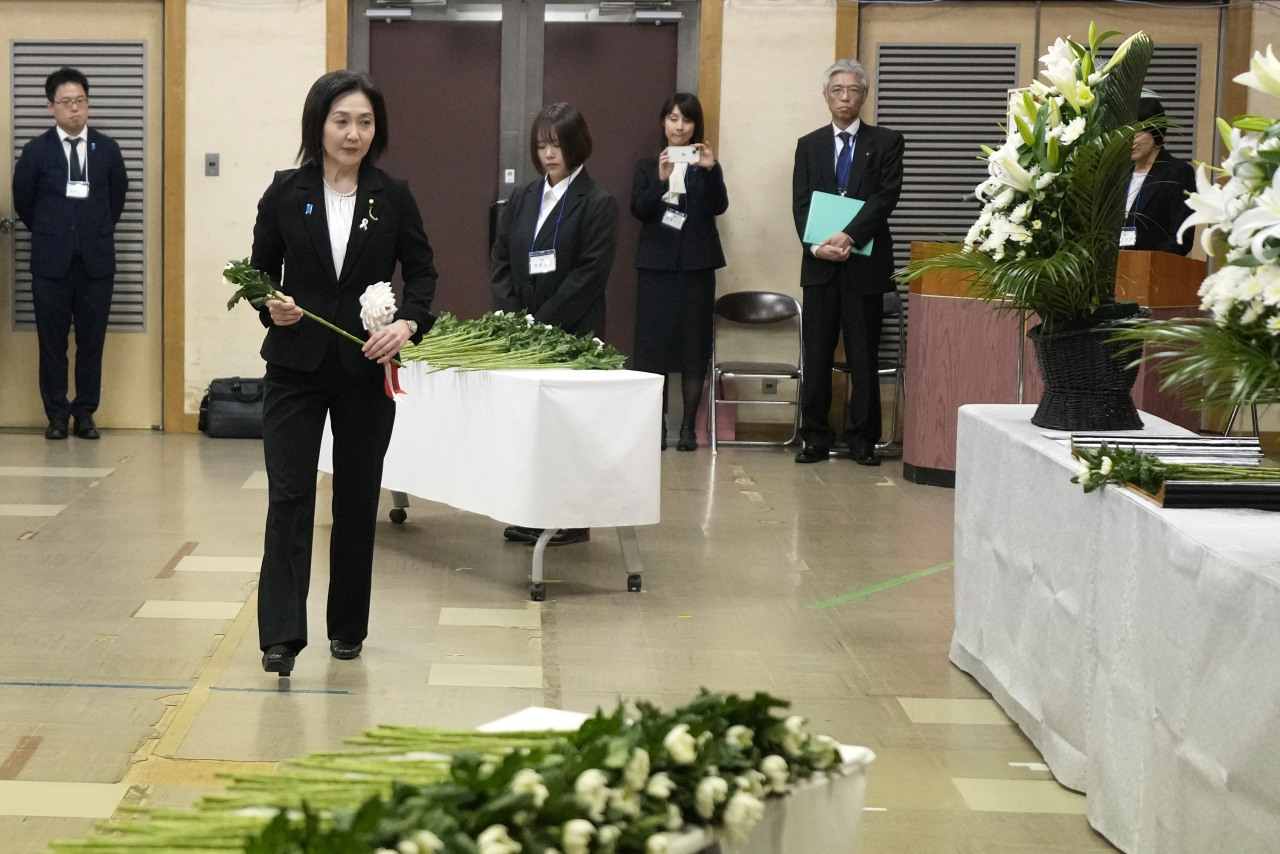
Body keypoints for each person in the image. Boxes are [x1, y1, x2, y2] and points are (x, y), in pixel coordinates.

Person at [250, 70, 437, 676]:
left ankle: (348, 628)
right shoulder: (285, 192)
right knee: (291, 495)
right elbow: (259, 276)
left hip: (365, 369)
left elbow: (424, 275)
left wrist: (406, 324)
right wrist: (269, 305)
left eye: (364, 122)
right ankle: (280, 635)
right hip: (294, 368)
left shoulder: (393, 194)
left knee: (358, 501)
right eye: (341, 121)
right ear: (319, 125)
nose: (353, 133)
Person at [491, 102, 619, 546]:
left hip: (572, 334)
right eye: (542, 145)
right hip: (524, 334)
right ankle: (535, 510)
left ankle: (572, 518)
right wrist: (512, 317)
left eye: (557, 145)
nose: (549, 154)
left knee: (569, 429)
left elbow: (589, 276)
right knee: (533, 427)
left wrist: (541, 325)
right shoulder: (525, 197)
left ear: (576, 145)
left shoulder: (598, 202)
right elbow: (502, 257)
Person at [792, 59, 904, 467]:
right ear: (826, 96)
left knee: (863, 355)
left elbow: (884, 199)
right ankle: (815, 438)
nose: (845, 97)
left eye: (853, 90)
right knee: (817, 354)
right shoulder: (809, 144)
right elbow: (801, 202)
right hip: (820, 265)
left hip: (864, 264)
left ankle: (863, 440)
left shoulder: (887, 142)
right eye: (837, 90)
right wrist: (815, 245)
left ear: (864, 95)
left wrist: (850, 235)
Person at [12, 67, 128, 441]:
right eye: (66, 103)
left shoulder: (107, 149)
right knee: (52, 344)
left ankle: (86, 414)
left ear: (88, 104)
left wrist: (91, 233)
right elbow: (24, 204)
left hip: (96, 264)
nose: (75, 109)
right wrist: (55, 234)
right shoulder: (35, 151)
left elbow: (117, 200)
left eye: (80, 101)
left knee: (92, 343)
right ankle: (57, 415)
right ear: (51, 107)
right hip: (51, 263)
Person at [631, 93, 728, 452]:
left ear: (694, 126)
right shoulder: (646, 166)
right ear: (663, 122)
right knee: (652, 348)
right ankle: (656, 426)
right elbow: (639, 210)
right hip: (656, 267)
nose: (679, 126)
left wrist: (711, 168)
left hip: (697, 267)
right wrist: (660, 180)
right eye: (673, 118)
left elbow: (719, 206)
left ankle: (688, 428)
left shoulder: (705, 165)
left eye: (686, 120)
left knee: (693, 346)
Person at [1123, 97, 1196, 255]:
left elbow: (1181, 238)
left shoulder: (1178, 172)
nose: (1131, 139)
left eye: (1138, 131)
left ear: (1155, 131)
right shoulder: (1118, 175)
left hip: (1154, 270)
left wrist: (1148, 262)